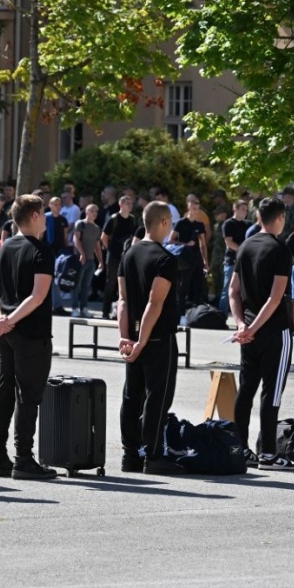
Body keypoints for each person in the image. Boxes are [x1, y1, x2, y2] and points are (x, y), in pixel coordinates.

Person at [0, 194, 58, 480]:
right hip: (30, 331)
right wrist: (10, 320)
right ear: (36, 216)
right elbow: (38, 296)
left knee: (4, 390)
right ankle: (23, 458)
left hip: (6, 332)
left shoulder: (3, 247)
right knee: (28, 395)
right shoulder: (41, 251)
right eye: (44, 213)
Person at [228, 197, 294, 471]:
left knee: (246, 389)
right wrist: (253, 328)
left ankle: (241, 449)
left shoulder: (245, 245)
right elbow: (275, 297)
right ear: (280, 217)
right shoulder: (281, 249)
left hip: (248, 331)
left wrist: (240, 325)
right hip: (274, 331)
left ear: (258, 216)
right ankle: (268, 454)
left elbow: (233, 291)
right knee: (272, 392)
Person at [117, 201, 184, 475]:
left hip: (132, 335)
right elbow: (154, 304)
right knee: (158, 396)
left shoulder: (128, 254)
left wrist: (126, 337)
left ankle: (130, 454)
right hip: (157, 337)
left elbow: (122, 300)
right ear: (164, 222)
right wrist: (143, 340)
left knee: (132, 395)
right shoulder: (165, 259)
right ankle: (153, 455)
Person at [101, 195, 138, 319]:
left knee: (125, 284)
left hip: (127, 256)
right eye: (127, 203)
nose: (130, 205)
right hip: (114, 255)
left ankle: (121, 312)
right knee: (111, 283)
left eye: (131, 203)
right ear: (121, 205)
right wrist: (110, 249)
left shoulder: (133, 220)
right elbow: (104, 237)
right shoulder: (114, 219)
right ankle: (105, 312)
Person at [170, 196, 209, 314]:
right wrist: (185, 244)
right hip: (184, 256)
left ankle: (198, 311)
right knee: (184, 285)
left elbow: (203, 243)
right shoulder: (180, 223)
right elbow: (171, 240)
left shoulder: (199, 224)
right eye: (193, 207)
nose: (195, 210)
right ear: (188, 207)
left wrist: (205, 261)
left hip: (196, 256)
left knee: (199, 284)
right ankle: (181, 313)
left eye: (197, 208)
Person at [218, 200, 250, 315]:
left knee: (244, 292)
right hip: (231, 261)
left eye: (246, 210)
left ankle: (242, 318)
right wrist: (243, 250)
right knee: (228, 289)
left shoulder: (248, 225)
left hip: (245, 262)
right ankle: (222, 315)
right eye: (242, 209)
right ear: (235, 209)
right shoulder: (228, 224)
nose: (245, 212)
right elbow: (229, 242)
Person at [72, 203, 104, 317]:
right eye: (92, 211)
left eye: (96, 211)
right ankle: (74, 308)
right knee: (76, 285)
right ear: (86, 212)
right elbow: (76, 239)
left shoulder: (96, 228)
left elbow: (97, 245)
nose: (94, 213)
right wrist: (82, 254)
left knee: (86, 286)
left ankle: (84, 308)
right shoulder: (80, 224)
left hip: (91, 260)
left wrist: (100, 261)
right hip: (80, 259)